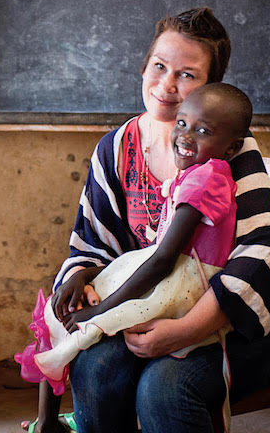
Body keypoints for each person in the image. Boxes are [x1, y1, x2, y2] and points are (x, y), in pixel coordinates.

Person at [28, 8, 270, 433]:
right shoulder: (116, 149)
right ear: (144, 66)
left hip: (258, 313)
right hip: (161, 303)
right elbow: (94, 244)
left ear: (211, 87)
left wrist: (182, 332)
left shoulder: (228, 149)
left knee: (164, 387)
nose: (167, 85)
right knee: (96, 368)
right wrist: (81, 276)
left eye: (187, 75)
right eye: (159, 66)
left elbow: (260, 252)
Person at [15, 83, 253, 432]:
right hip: (174, 274)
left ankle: (49, 421)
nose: (186, 136)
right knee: (69, 306)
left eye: (203, 131)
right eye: (182, 123)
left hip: (183, 282)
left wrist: (103, 308)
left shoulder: (206, 179)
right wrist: (90, 273)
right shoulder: (195, 173)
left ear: (231, 146)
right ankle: (50, 421)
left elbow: (163, 260)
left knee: (79, 325)